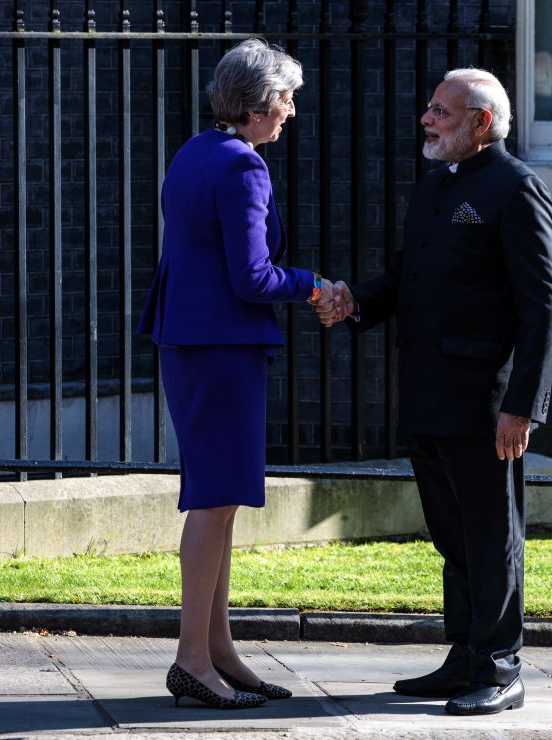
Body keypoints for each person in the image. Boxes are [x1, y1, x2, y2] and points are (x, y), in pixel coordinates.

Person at [316, 68, 552, 716]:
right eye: (429, 108)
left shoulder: (515, 188)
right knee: (453, 536)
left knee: (492, 536)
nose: (427, 120)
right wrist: (353, 303)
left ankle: (501, 665)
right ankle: (466, 658)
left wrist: (522, 407)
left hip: (486, 403)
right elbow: (406, 280)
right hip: (428, 393)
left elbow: (547, 303)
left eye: (442, 112)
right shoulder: (435, 187)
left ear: (481, 122)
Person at [137, 39, 333, 710]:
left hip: (189, 339)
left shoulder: (194, 152)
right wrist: (314, 288)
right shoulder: (244, 168)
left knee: (215, 500)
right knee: (214, 502)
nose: (290, 112)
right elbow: (252, 276)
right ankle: (193, 659)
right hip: (220, 344)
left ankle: (219, 651)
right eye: (285, 99)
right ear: (254, 105)